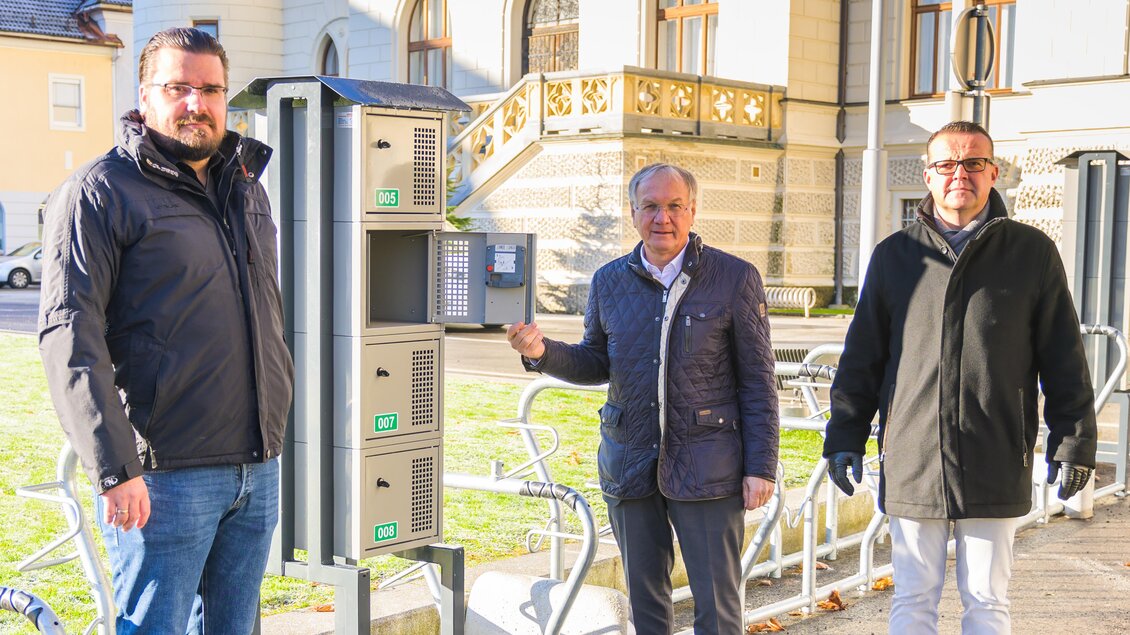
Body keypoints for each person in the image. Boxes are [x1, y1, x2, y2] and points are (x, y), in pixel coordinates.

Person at [38, 28, 294, 634]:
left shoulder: (245, 186)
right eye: (178, 87)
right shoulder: (100, 192)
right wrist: (113, 466)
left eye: (210, 89)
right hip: (164, 476)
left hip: (257, 467)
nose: (195, 103)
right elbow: (70, 336)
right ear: (145, 94)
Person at [824, 120, 1097, 634]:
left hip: (994, 450)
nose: (960, 174)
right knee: (912, 601)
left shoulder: (1032, 253)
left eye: (973, 162)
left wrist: (1074, 442)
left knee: (987, 602)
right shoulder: (895, 256)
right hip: (913, 454)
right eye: (947, 163)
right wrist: (844, 435)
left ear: (993, 172)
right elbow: (862, 359)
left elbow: (1065, 356)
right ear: (928, 176)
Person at [507, 163, 779, 634]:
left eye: (674, 206)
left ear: (692, 211)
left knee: (718, 606)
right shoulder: (609, 280)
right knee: (646, 605)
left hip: (709, 465)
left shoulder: (734, 277)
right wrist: (541, 352)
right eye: (651, 206)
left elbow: (758, 380)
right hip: (630, 461)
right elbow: (596, 361)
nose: (663, 218)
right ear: (633, 212)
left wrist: (761, 467)